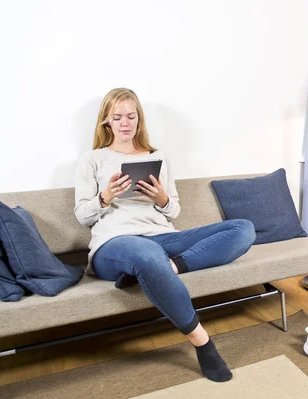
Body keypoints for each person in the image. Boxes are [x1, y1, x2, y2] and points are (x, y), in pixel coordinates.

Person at [74, 87, 256, 382]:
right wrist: (106, 196)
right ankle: (203, 342)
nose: (125, 123)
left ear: (139, 119)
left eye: (131, 116)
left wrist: (160, 197)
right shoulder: (92, 160)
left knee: (243, 228)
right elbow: (82, 216)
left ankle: (164, 268)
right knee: (146, 254)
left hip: (160, 237)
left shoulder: (157, 157)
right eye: (117, 117)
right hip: (114, 244)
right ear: (106, 121)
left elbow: (173, 212)